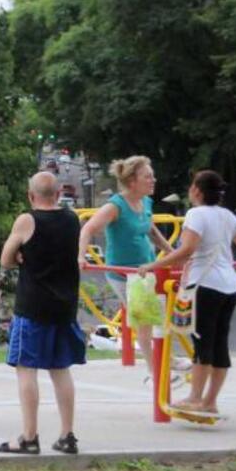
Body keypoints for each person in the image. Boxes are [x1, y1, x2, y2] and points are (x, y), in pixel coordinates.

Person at [138, 170, 236, 415]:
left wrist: (153, 265)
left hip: (205, 284)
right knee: (220, 344)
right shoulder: (227, 216)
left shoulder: (196, 214)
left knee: (202, 343)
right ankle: (210, 401)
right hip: (229, 287)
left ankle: (194, 398)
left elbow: (187, 250)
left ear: (197, 191)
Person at [0, 172, 84, 455]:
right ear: (58, 194)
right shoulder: (73, 220)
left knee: (26, 371)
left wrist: (20, 256)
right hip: (64, 307)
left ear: (31, 196)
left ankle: (29, 436)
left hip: (33, 306)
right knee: (61, 371)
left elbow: (6, 259)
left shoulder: (27, 220)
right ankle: (67, 434)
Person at [78, 155, 176, 382]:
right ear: (132, 181)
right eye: (147, 176)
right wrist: (81, 256)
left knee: (158, 315)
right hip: (125, 274)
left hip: (146, 269)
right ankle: (156, 371)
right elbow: (87, 229)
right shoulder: (115, 206)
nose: (153, 180)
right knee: (144, 321)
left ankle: (166, 361)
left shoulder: (146, 202)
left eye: (152, 175)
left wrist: (171, 252)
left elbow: (151, 230)